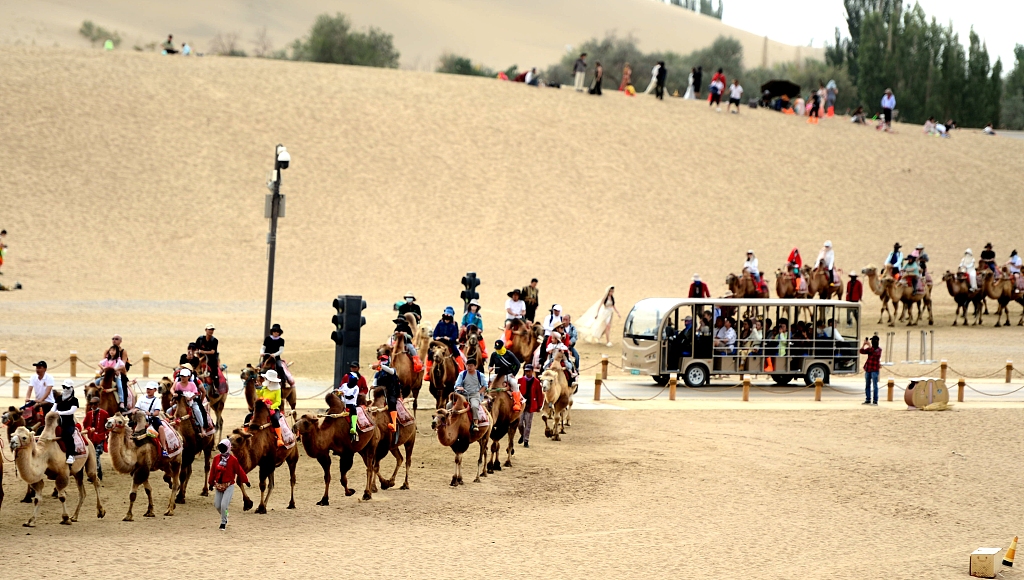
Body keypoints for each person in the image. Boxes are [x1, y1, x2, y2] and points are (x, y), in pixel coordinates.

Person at [208, 438, 249, 530]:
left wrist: (245, 481)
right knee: (217, 505)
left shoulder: (233, 460)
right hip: (218, 485)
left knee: (224, 505)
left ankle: (223, 522)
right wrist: (210, 483)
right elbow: (213, 471)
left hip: (228, 485)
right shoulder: (216, 458)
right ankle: (225, 514)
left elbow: (239, 470)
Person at [453, 358, 488, 432]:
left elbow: (485, 386)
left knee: (474, 406)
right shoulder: (462, 374)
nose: (469, 367)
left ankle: (475, 423)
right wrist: (460, 388)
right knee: (450, 404)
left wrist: (479, 392)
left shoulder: (479, 375)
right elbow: (456, 385)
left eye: (471, 366)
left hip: (474, 395)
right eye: (467, 365)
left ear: (475, 366)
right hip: (463, 394)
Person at [488, 339, 522, 411]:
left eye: (499, 348)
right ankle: (485, 395)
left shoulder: (509, 354)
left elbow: (518, 364)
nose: (498, 350)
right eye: (496, 348)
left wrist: (514, 373)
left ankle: (517, 402)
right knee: (487, 380)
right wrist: (490, 368)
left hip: (508, 375)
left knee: (514, 383)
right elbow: (490, 365)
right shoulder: (494, 355)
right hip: (497, 375)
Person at [373, 354, 402, 438]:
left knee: (392, 403)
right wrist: (373, 386)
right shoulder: (378, 374)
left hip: (390, 393)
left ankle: (393, 423)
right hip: (379, 394)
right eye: (381, 360)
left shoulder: (392, 370)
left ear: (388, 361)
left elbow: (391, 371)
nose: (383, 362)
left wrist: (380, 365)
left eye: (384, 360)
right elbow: (374, 383)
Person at [52, 379, 80, 464]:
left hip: (68, 423)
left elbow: (71, 411)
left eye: (67, 387)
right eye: (63, 387)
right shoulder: (59, 398)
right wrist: (51, 413)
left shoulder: (74, 400)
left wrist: (60, 413)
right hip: (57, 422)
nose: (65, 389)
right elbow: (54, 407)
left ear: (71, 388)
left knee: (66, 434)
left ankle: (71, 454)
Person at [175, 367, 211, 432]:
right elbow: (177, 393)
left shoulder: (192, 384)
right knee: (169, 411)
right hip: (181, 403)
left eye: (184, 376)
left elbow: (196, 393)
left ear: (188, 377)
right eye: (181, 376)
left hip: (192, 402)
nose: (182, 378)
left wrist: (191, 398)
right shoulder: (178, 384)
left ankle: (202, 427)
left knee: (197, 411)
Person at [256, 369, 285, 445]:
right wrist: (258, 389)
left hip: (274, 409)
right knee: (249, 416)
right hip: (263, 408)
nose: (265, 380)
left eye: (266, 378)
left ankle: (279, 438)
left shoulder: (277, 390)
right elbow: (260, 396)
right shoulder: (265, 387)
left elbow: (278, 402)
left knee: (275, 419)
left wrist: (271, 406)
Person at [517, 364, 543, 447]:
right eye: (526, 371)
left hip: (530, 405)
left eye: (529, 371)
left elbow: (539, 394)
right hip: (521, 405)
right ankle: (523, 435)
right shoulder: (520, 380)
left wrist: (539, 406)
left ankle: (526, 441)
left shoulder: (536, 381)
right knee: (519, 423)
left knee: (528, 424)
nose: (527, 373)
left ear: (532, 371)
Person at [83, 396, 108, 479]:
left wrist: (106, 435)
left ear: (99, 404)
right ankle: (99, 473)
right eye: (91, 404)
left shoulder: (104, 413)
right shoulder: (89, 414)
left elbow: (108, 426)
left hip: (101, 438)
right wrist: (89, 429)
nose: (93, 405)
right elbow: (85, 425)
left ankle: (95, 474)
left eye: (95, 403)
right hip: (91, 438)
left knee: (96, 455)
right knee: (93, 456)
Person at [195, 323, 220, 393]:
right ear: (205, 330)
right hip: (200, 358)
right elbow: (196, 348)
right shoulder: (200, 339)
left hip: (211, 359)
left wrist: (203, 352)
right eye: (209, 329)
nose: (211, 331)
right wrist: (198, 355)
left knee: (215, 373)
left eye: (212, 330)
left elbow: (212, 352)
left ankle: (216, 389)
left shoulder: (214, 340)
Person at [860, 335, 882, 405]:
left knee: (875, 385)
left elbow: (875, 354)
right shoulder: (870, 348)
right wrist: (864, 344)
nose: (872, 342)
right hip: (868, 369)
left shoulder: (879, 350)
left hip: (874, 369)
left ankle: (875, 400)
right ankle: (868, 399)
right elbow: (861, 351)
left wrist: (869, 346)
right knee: (867, 385)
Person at [336, 374, 360, 439]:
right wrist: (337, 391)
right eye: (350, 377)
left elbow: (351, 397)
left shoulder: (356, 388)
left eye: (353, 377)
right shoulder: (344, 385)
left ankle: (353, 428)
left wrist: (344, 395)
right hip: (342, 403)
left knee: (353, 410)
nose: (351, 378)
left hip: (351, 404)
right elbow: (339, 391)